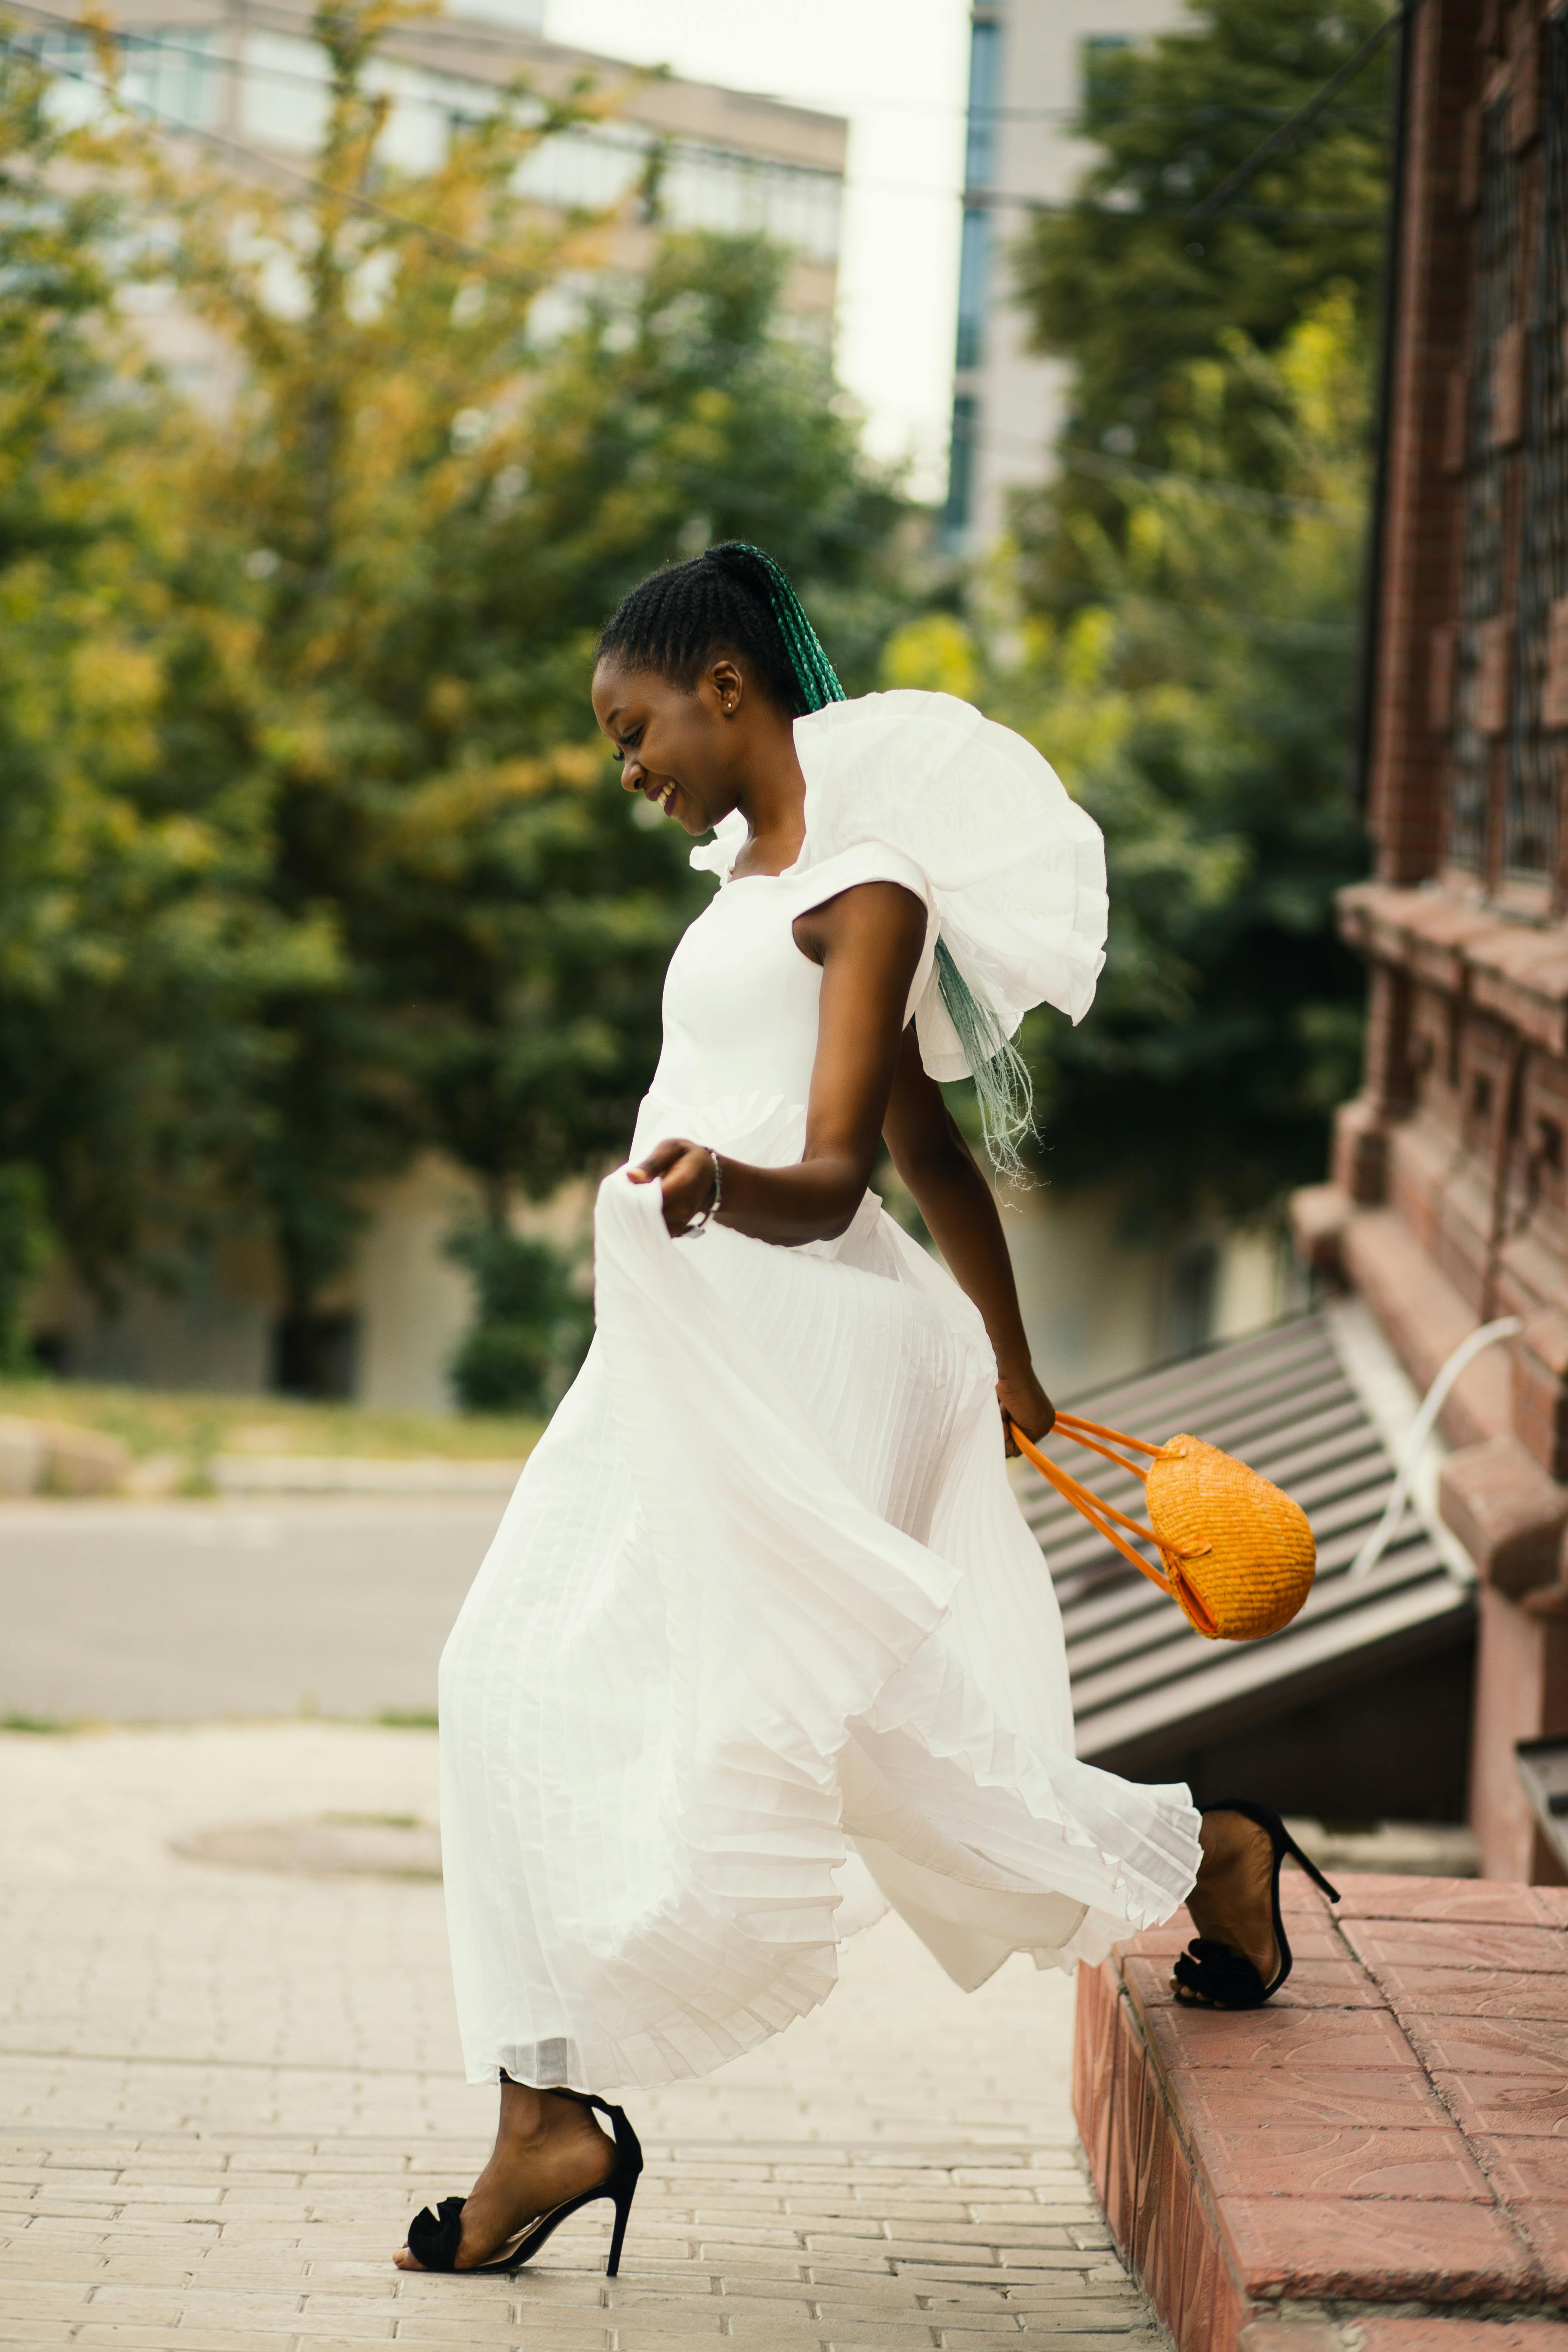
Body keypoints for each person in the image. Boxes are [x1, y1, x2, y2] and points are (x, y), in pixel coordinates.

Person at [397, 543, 1324, 2280]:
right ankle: (1209, 1854)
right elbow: (927, 1135)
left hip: (797, 1326)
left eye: (634, 727)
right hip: (692, 1334)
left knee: (740, 1716)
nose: (629, 768)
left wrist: (709, 1185)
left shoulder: (868, 887)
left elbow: (840, 1175)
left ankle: (545, 2124)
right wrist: (1017, 1361)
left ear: (725, 687)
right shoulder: (752, 878)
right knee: (791, 1728)